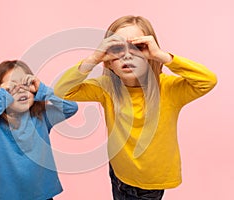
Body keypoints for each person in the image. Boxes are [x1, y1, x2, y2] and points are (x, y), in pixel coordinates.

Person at [54, 15, 217, 200]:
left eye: (138, 47)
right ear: (108, 61)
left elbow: (208, 81)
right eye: (116, 49)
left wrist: (162, 56)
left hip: (148, 185)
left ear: (150, 54)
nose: (127, 55)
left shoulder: (169, 89)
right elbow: (61, 92)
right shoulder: (107, 88)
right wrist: (94, 57)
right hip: (118, 172)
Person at [0, 60, 78, 200]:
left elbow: (71, 107)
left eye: (26, 84)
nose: (21, 90)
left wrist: (42, 90)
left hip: (43, 195)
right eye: (12, 88)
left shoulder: (42, 116)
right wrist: (2, 98)